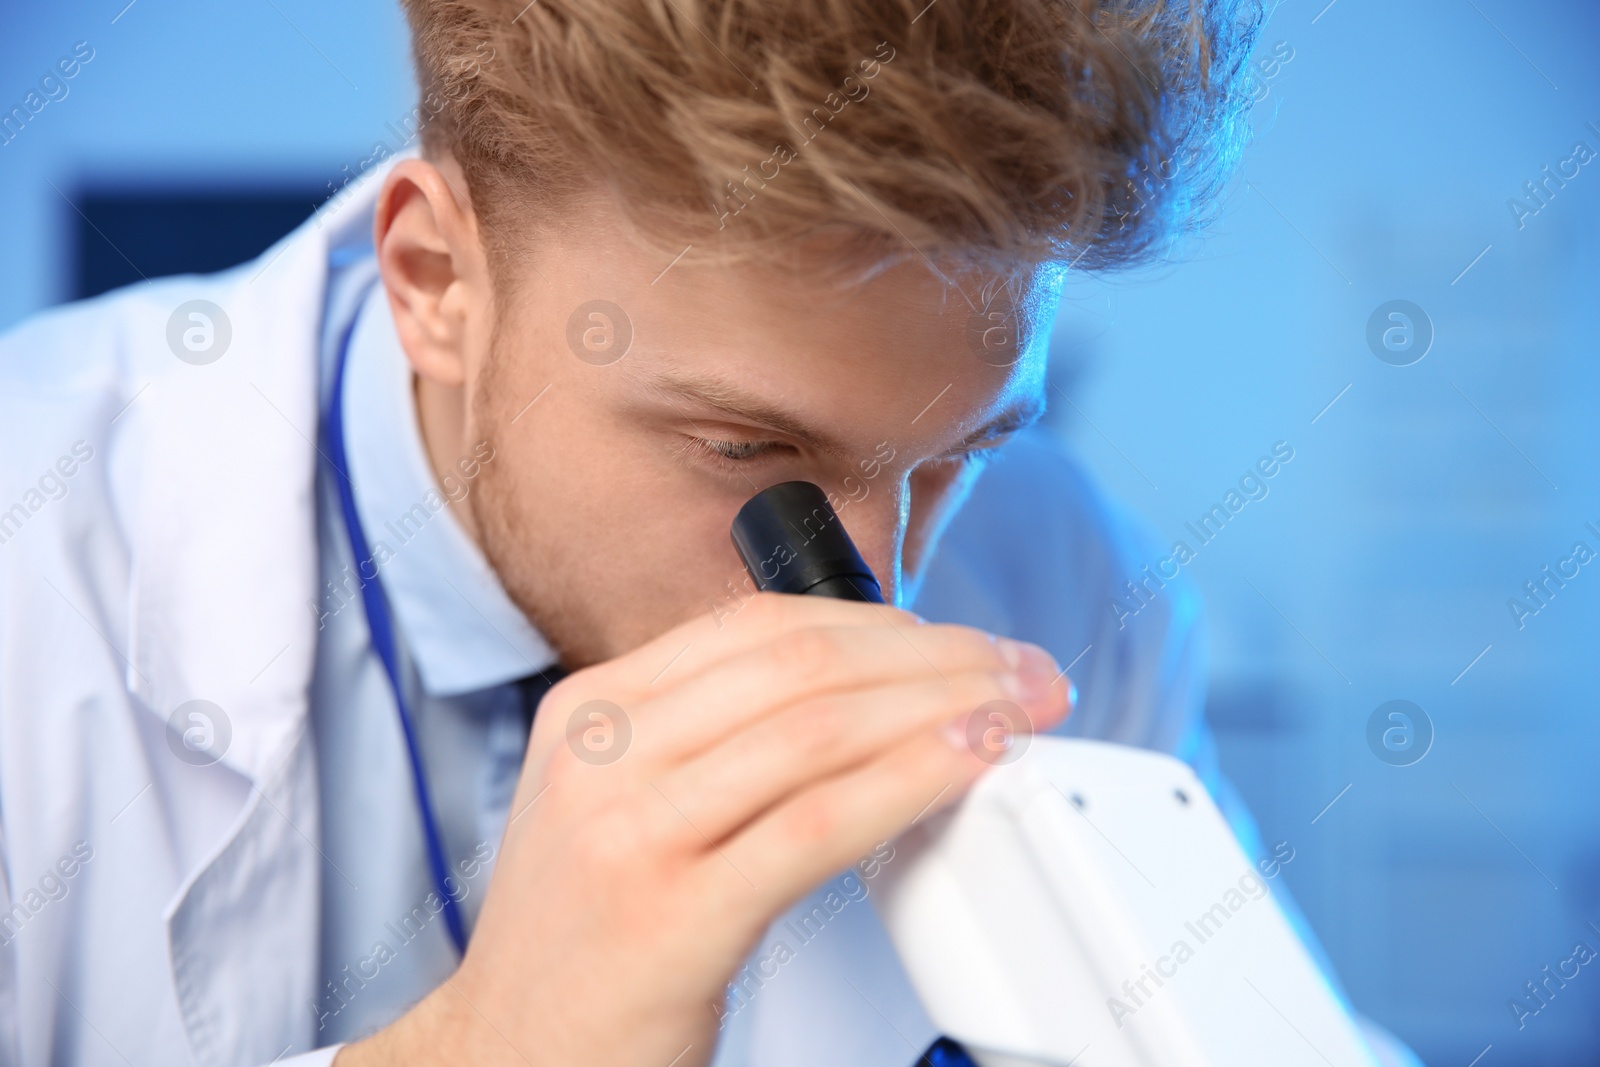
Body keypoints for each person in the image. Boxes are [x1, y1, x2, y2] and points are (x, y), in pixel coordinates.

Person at [0, 0, 1419, 1063]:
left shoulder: (1070, 580)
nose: (883, 586)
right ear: (436, 279)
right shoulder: (36, 554)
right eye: (751, 451)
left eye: (957, 454)